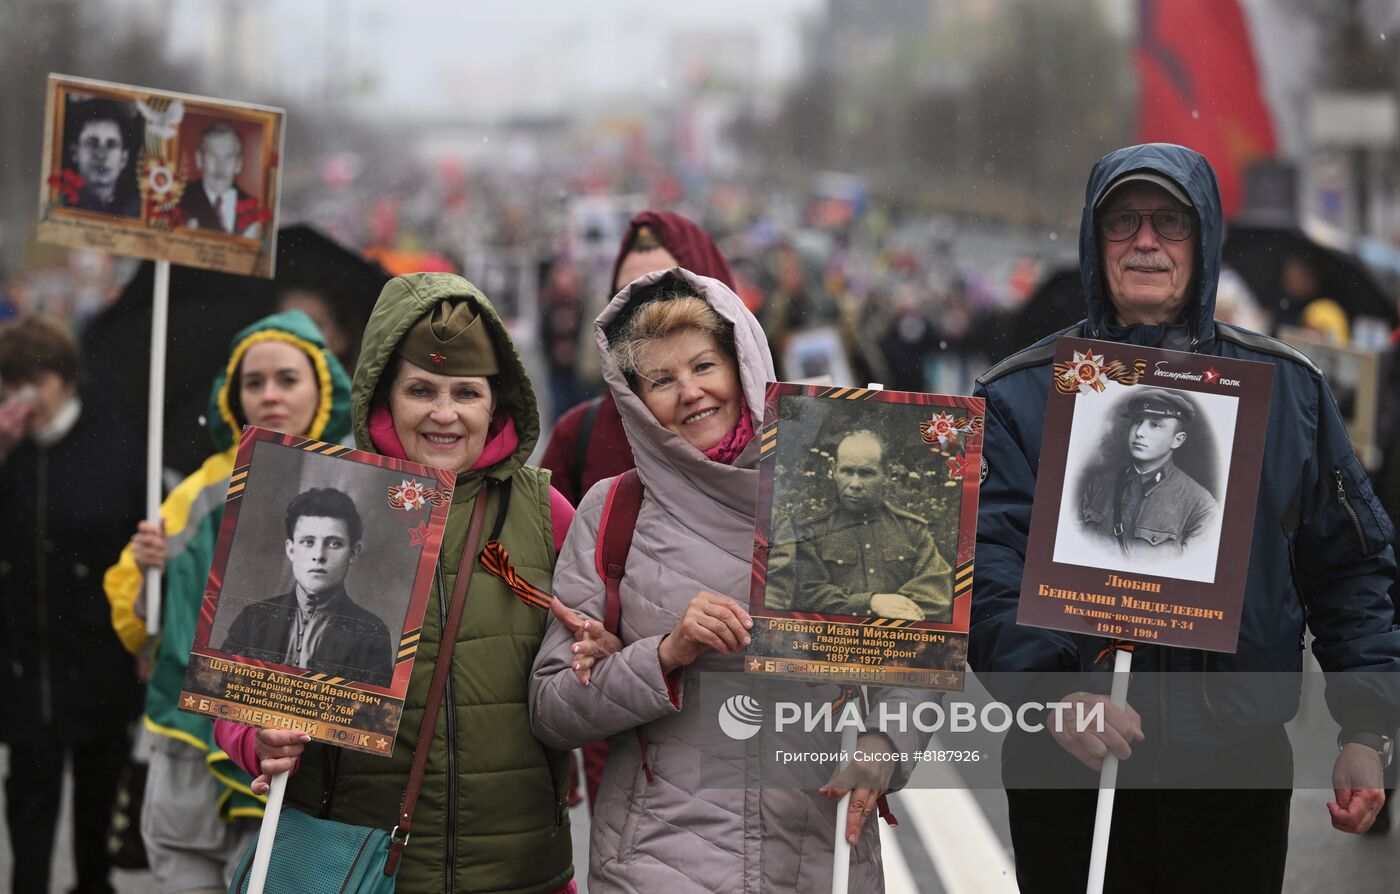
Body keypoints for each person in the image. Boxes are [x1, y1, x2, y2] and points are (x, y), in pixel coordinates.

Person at [971, 143, 1399, 893]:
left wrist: (1368, 728)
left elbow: (1349, 568)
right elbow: (984, 561)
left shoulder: (1287, 392)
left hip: (1232, 766)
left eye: (1170, 222)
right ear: (1092, 240)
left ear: (1204, 239)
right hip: (1069, 763)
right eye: (1124, 222)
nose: (1146, 241)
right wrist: (1048, 694)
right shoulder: (1018, 396)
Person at [532, 268, 927, 892]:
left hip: (820, 858)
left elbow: (912, 666)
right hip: (659, 863)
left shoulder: (842, 492)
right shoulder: (613, 512)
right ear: (635, 399)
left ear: (743, 365)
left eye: (704, 365)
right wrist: (664, 655)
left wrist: (886, 745)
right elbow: (553, 708)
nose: (689, 392)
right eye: (661, 380)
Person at [216, 273, 609, 893]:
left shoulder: (547, 512)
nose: (444, 413)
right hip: (362, 868)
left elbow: (593, 671)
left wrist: (600, 652)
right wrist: (254, 739)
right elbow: (241, 692)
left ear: (496, 403)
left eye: (466, 393)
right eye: (421, 389)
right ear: (384, 397)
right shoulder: (318, 499)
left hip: (519, 872)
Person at [105, 310, 352, 894]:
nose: (269, 394)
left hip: (293, 759)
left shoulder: (356, 486)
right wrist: (146, 574)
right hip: (191, 745)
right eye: (253, 381)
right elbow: (140, 630)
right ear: (231, 394)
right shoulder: (194, 495)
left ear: (323, 387)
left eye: (287, 379)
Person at [0, 315, 144, 894]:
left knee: (97, 794)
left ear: (61, 380)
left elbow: (131, 539)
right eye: (7, 387)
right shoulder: (8, 450)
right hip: (24, 660)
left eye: (29, 384)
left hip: (99, 656)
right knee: (30, 801)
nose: (18, 400)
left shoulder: (112, 442)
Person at [540, 210, 737, 506]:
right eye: (628, 295)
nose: (645, 312)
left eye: (665, 290)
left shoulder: (797, 436)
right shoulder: (578, 437)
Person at [765, 429, 953, 621]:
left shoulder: (912, 530)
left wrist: (891, 615)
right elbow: (807, 595)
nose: (855, 483)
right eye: (847, 471)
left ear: (885, 474)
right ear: (834, 470)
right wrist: (871, 603)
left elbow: (936, 591)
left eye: (866, 473)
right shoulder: (812, 531)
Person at [218, 487, 395, 686]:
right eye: (308, 542)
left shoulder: (371, 631)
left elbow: (369, 713)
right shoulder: (253, 618)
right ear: (291, 550)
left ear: (353, 553)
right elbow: (218, 690)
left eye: (334, 544)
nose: (318, 555)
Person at [1078, 388, 1216, 557]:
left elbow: (1189, 572)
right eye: (1137, 421)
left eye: (1155, 425)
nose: (1139, 432)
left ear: (1177, 440)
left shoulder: (1201, 505)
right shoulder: (1098, 484)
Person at [175, 122, 261, 237]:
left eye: (229, 157)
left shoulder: (254, 210)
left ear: (239, 164)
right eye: (212, 155)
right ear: (199, 159)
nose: (221, 165)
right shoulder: (177, 200)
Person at [61, 97, 143, 218]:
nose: (101, 155)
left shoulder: (137, 211)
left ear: (123, 158)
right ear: (74, 152)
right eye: (92, 143)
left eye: (111, 145)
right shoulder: (59, 204)